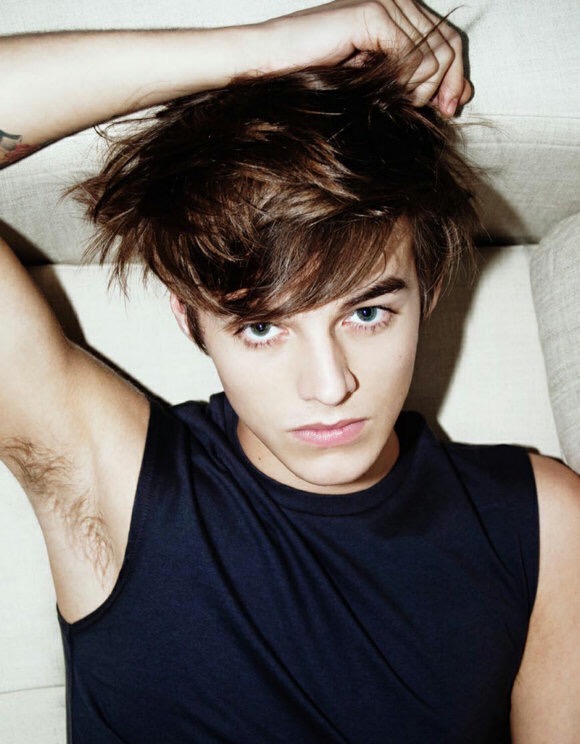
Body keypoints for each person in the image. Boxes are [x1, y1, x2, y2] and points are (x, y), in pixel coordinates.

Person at [0, 1, 578, 742]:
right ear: (190, 320)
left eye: (366, 313)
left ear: (428, 290)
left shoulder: (541, 520)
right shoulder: (112, 484)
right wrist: (265, 48)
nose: (330, 386)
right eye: (262, 328)